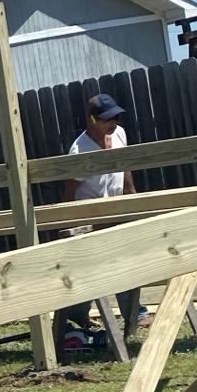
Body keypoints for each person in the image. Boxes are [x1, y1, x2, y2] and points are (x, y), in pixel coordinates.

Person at [56, 93, 149, 354]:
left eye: (116, 118)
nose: (113, 123)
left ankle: (136, 312)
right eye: (107, 119)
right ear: (92, 119)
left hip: (116, 207)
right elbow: (70, 188)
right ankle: (78, 315)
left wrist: (132, 198)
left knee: (126, 261)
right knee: (89, 268)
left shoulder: (119, 134)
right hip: (90, 214)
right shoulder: (80, 150)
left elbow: (125, 168)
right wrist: (70, 221)